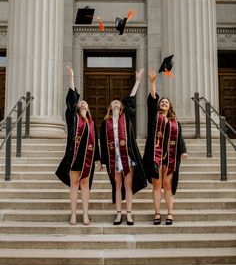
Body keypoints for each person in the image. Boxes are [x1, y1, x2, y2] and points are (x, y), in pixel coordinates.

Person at [100, 68, 147, 226]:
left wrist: (138, 81)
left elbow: (131, 100)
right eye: (113, 102)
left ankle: (129, 214)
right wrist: (102, 161)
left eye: (118, 102)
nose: (115, 102)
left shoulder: (126, 119)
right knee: (117, 186)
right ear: (110, 107)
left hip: (127, 157)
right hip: (114, 158)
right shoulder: (104, 123)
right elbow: (102, 143)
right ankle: (118, 214)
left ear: (121, 107)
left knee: (128, 185)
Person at [55, 66, 102, 226]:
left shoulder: (91, 123)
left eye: (85, 103)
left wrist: (98, 159)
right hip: (74, 157)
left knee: (85, 185)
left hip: (87, 159)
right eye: (81, 102)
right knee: (74, 184)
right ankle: (74, 214)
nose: (83, 103)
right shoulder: (73, 119)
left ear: (88, 109)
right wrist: (72, 77)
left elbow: (95, 142)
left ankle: (86, 214)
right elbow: (72, 100)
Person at [143, 68, 188, 225]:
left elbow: (180, 138)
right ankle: (157, 213)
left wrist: (183, 151)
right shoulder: (154, 117)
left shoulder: (176, 123)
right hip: (155, 154)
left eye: (166, 102)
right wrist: (152, 82)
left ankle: (169, 213)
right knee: (156, 184)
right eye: (162, 102)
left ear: (170, 107)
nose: (163, 103)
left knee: (168, 184)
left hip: (170, 157)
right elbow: (153, 99)